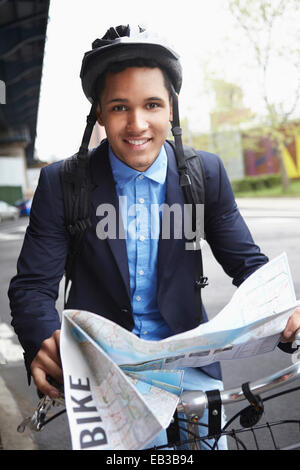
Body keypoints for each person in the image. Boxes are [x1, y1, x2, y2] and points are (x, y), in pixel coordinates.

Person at [8, 24, 300, 450]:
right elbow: (33, 288)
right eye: (120, 107)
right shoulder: (62, 183)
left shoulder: (206, 174)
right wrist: (42, 340)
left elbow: (247, 263)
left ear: (171, 110)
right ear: (100, 114)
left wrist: (284, 308)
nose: (137, 123)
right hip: (104, 371)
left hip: (189, 368)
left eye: (152, 105)